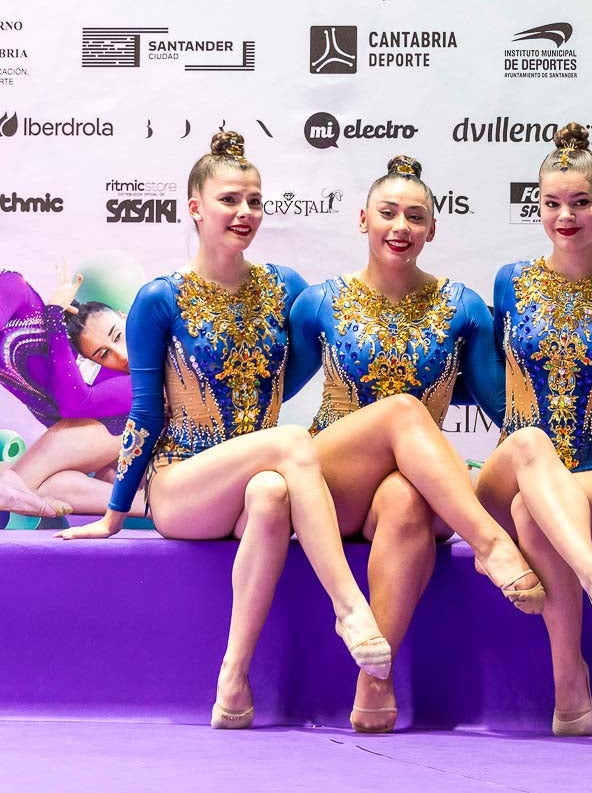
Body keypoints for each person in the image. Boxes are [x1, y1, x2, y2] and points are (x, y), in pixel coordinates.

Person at [58, 131, 391, 732]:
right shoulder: (160, 298)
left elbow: (317, 361)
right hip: (183, 485)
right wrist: (112, 513)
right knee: (290, 443)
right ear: (194, 207)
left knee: (272, 493)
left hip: (253, 481)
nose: (245, 213)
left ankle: (233, 680)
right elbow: (144, 413)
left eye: (255, 201)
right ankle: (348, 606)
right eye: (230, 200)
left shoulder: (284, 287)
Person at [284, 155, 545, 733]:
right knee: (403, 409)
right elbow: (261, 388)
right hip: (333, 483)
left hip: (407, 490)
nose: (400, 226)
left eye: (415, 216)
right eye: (388, 213)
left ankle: (375, 679)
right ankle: (489, 542)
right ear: (362, 220)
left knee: (407, 501)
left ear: (433, 229)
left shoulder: (462, 307)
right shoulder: (321, 302)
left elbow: (507, 407)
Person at [474, 122, 592, 736]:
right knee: (528, 445)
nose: (566, 215)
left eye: (580, 202)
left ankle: (569, 683)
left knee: (538, 513)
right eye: (552, 203)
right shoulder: (510, 281)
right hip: (515, 465)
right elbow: (489, 379)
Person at [0, 266, 135, 517]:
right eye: (103, 352)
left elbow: (75, 404)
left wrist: (53, 313)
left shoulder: (11, 284)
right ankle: (148, 505)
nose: (122, 354)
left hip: (113, 425)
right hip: (79, 431)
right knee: (46, 486)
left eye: (117, 338)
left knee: (20, 483)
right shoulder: (91, 356)